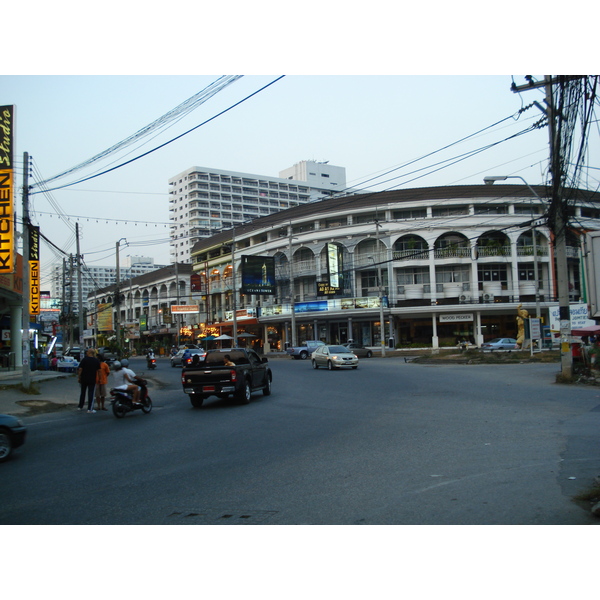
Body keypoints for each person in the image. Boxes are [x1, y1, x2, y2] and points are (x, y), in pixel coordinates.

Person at [77, 348, 101, 413]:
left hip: (84, 379)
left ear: (90, 353)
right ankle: (90, 408)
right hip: (92, 379)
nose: (86, 353)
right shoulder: (96, 361)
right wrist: (99, 379)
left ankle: (80, 406)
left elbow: (80, 369)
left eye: (87, 352)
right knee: (91, 393)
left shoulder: (84, 360)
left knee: (83, 393)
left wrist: (79, 377)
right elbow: (99, 371)